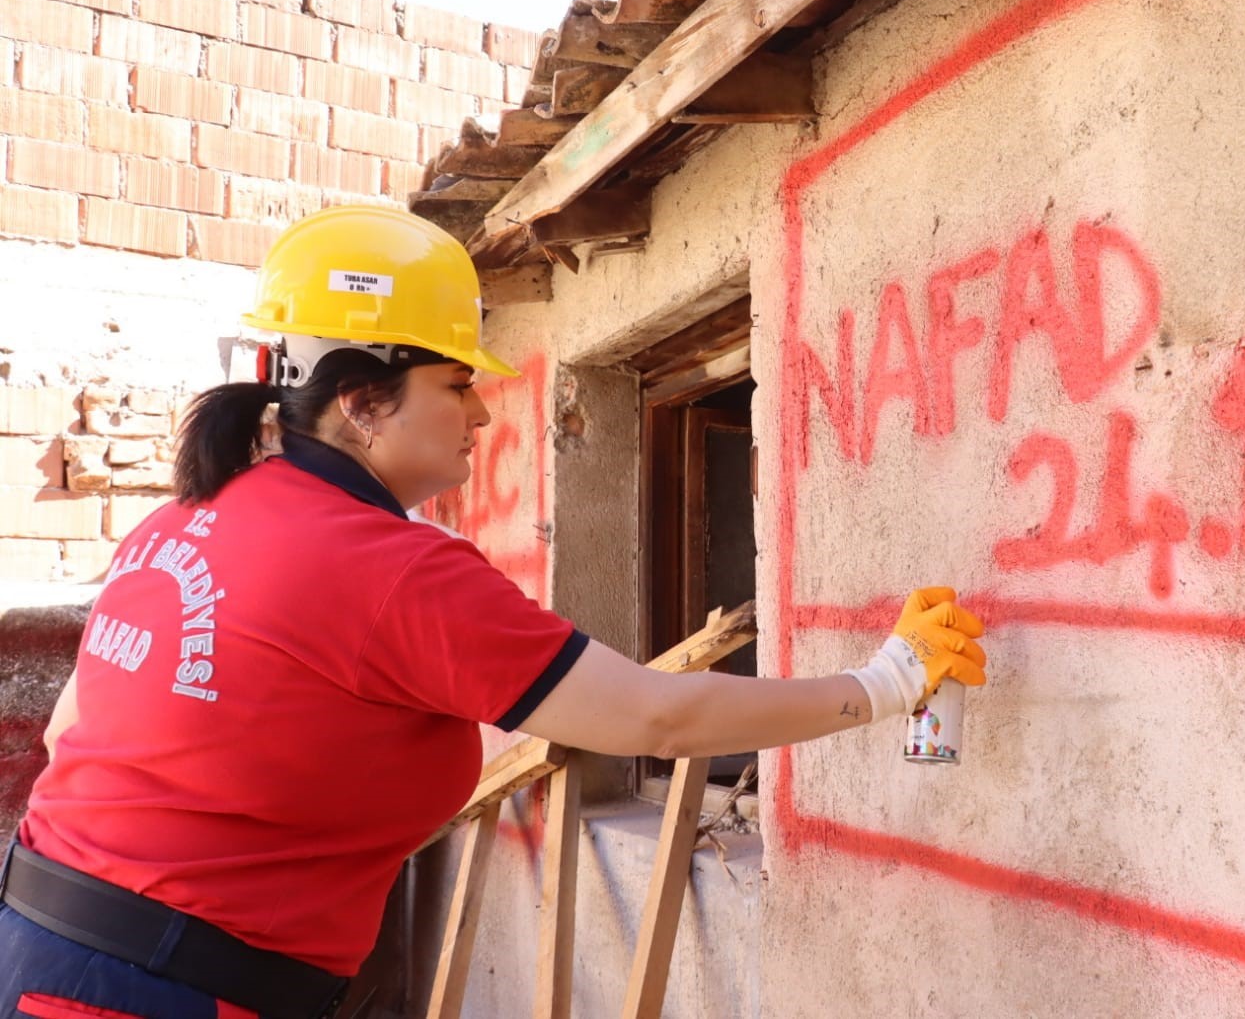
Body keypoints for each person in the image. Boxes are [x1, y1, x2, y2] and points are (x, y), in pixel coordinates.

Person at [0, 206, 988, 1019]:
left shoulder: (185, 518)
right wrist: (886, 682)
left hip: (41, 942)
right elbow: (655, 718)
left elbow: (71, 726)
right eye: (456, 384)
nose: (480, 415)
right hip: (157, 991)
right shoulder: (386, 566)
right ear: (362, 400)